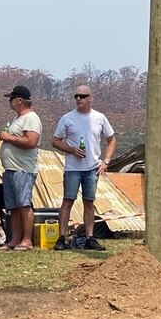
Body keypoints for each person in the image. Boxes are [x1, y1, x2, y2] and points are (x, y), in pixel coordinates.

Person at [51, 85, 116, 251]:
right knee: (68, 201)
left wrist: (106, 161)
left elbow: (111, 140)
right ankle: (61, 238)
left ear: (90, 98)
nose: (78, 99)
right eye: (76, 96)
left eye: (82, 96)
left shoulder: (99, 118)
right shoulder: (67, 118)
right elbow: (55, 141)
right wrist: (72, 149)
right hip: (73, 167)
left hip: (92, 167)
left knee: (89, 202)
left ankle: (90, 238)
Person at [0, 86, 42, 251]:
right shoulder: (17, 119)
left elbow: (31, 142)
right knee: (13, 207)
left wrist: (8, 137)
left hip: (23, 169)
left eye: (11, 99)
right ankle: (14, 239)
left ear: (20, 100)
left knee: (23, 205)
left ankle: (26, 240)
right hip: (11, 169)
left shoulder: (31, 118)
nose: (10, 102)